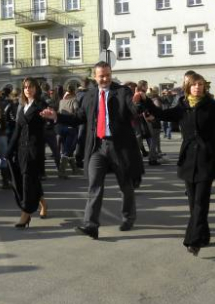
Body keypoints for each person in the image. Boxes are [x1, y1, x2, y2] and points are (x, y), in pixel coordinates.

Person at [41, 61, 144, 239]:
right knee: (94, 185)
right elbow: (78, 118)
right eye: (101, 75)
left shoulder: (122, 92)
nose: (105, 78)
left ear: (111, 74)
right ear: (95, 77)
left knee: (125, 185)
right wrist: (57, 116)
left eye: (107, 75)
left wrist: (138, 103)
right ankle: (91, 225)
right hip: (97, 147)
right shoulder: (89, 95)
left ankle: (128, 217)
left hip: (120, 146)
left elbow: (133, 110)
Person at [139, 73, 215, 254]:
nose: (197, 87)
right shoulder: (182, 106)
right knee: (192, 202)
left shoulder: (211, 106)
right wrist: (145, 101)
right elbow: (162, 114)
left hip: (206, 158)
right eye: (194, 84)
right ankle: (203, 235)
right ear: (188, 87)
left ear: (204, 87)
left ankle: (193, 240)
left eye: (200, 84)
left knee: (201, 202)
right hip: (188, 158)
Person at [7, 78, 48, 228]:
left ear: (36, 88)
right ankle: (43, 204)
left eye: (30, 87)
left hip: (34, 149)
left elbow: (46, 122)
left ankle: (26, 213)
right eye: (25, 87)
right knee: (31, 180)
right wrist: (9, 149)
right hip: (21, 149)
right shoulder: (22, 106)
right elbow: (17, 129)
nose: (27, 89)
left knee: (27, 181)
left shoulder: (40, 105)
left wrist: (49, 117)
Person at [57, 85, 80, 178]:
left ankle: (75, 169)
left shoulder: (61, 101)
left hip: (62, 127)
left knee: (67, 149)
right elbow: (77, 112)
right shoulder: (74, 100)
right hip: (71, 127)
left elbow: (59, 112)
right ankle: (61, 171)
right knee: (67, 150)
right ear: (74, 91)